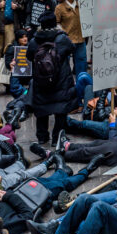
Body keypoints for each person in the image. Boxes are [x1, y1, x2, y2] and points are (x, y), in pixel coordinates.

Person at [27, 11, 76, 146]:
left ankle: (42, 137)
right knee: (61, 109)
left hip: (41, 81)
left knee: (41, 108)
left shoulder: (34, 40)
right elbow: (72, 48)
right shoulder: (62, 38)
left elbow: (29, 56)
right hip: (61, 80)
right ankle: (57, 138)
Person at [55, 0, 87, 76]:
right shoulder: (59, 7)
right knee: (65, 61)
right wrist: (63, 32)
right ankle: (66, 80)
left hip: (80, 38)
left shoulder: (82, 5)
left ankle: (81, 80)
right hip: (67, 39)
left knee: (81, 60)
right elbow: (56, 22)